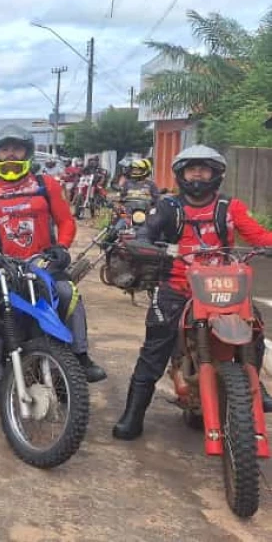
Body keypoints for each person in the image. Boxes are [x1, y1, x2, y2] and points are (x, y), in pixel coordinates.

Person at [113, 146, 272, 440]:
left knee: (255, 325)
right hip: (177, 286)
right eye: (191, 169)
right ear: (181, 174)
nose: (197, 175)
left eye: (204, 169)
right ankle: (132, 415)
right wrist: (144, 244)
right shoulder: (168, 207)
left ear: (215, 175)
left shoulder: (230, 207)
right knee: (154, 348)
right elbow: (145, 232)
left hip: (222, 287)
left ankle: (255, 383)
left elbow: (259, 235)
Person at [0, 124, 107, 404]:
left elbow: (65, 221)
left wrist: (61, 247)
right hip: (3, 265)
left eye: (17, 148)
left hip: (43, 262)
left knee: (68, 295)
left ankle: (81, 356)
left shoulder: (45, 184)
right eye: (5, 149)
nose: (11, 154)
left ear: (27, 151)